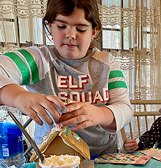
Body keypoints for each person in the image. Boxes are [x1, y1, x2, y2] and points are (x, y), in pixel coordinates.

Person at [0, 0, 133, 158]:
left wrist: (99, 114)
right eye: (61, 26)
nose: (70, 35)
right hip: (52, 160)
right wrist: (19, 97)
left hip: (103, 158)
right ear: (49, 26)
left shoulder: (106, 62)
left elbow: (125, 108)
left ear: (95, 31)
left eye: (81, 29)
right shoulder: (38, 60)